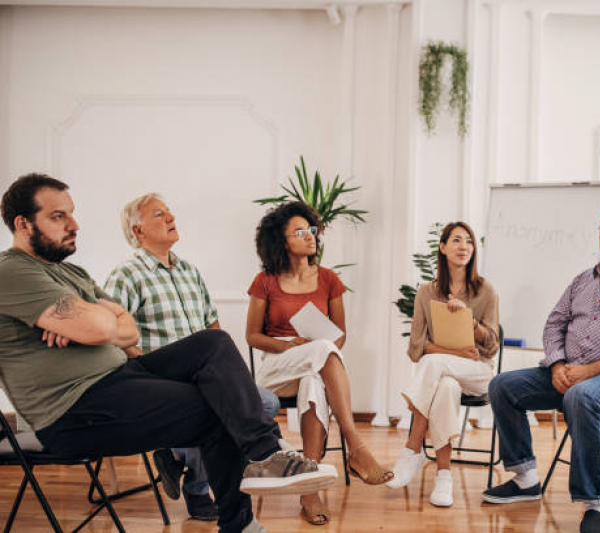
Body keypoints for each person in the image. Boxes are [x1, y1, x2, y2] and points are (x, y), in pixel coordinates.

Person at [0, 174, 337, 533]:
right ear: (23, 223)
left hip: (120, 378)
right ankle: (242, 521)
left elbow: (126, 327)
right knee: (218, 404)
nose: (74, 224)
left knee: (215, 343)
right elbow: (103, 328)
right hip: (73, 409)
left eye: (72, 213)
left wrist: (92, 319)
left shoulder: (70, 272)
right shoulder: (11, 272)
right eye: (58, 216)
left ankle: (265, 456)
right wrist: (98, 319)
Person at [104, 193, 281, 521]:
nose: (171, 217)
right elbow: (111, 332)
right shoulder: (126, 274)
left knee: (267, 403)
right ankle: (198, 487)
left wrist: (232, 375)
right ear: (138, 230)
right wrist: (142, 369)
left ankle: (178, 458)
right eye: (160, 214)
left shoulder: (188, 270)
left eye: (170, 211)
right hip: (161, 379)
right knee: (213, 410)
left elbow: (212, 326)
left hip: (204, 373)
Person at [482, 208, 600, 533]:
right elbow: (555, 323)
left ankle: (595, 504)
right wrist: (556, 365)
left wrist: (591, 370)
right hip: (567, 374)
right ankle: (526, 479)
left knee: (583, 396)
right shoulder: (583, 280)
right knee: (502, 386)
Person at [245, 201, 393, 526]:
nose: (310, 236)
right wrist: (291, 344)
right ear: (282, 241)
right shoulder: (266, 280)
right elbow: (252, 336)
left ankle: (309, 492)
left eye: (311, 229)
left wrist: (317, 349)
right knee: (320, 353)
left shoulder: (328, 279)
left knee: (315, 378)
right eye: (300, 231)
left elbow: (338, 337)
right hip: (277, 365)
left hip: (315, 363)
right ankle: (356, 445)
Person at [386, 221, 500, 508]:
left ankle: (413, 448)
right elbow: (416, 347)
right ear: (443, 247)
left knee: (435, 366)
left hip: (478, 371)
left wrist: (471, 323)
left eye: (469, 242)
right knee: (445, 386)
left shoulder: (486, 290)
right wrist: (455, 354)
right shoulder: (427, 293)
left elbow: (492, 346)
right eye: (457, 240)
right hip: (443, 372)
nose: (464, 247)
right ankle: (444, 476)